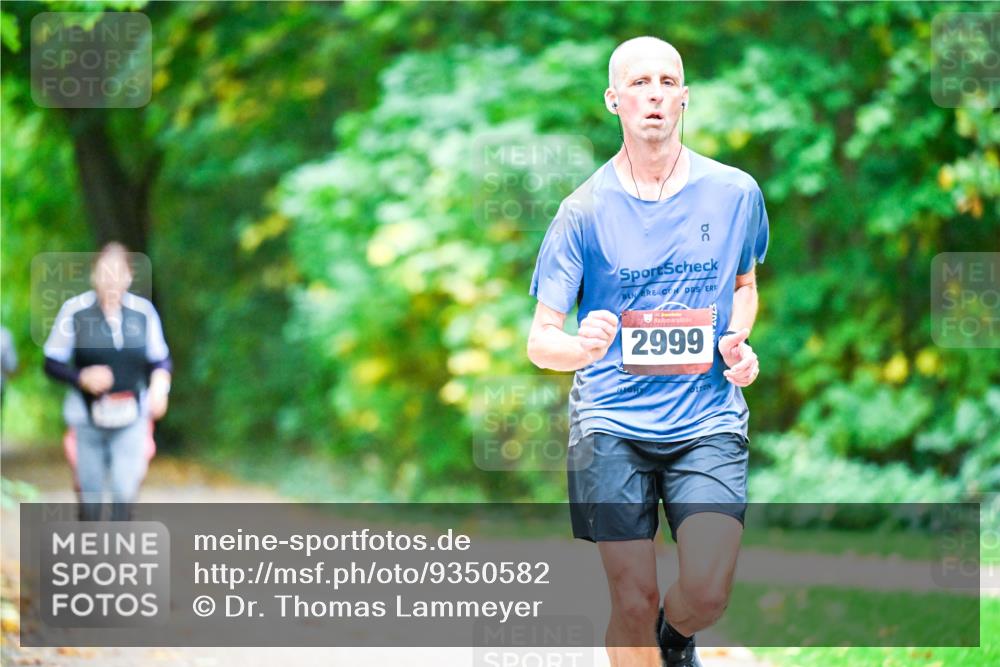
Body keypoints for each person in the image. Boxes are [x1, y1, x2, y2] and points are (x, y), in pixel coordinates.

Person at [526, 37, 769, 667]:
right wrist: (580, 347)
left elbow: (744, 287)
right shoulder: (581, 211)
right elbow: (540, 341)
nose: (655, 93)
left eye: (667, 81)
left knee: (708, 591)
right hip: (610, 423)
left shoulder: (735, 193)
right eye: (638, 82)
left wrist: (740, 341)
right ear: (614, 100)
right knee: (632, 599)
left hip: (707, 419)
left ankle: (675, 642)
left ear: (685, 97)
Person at [43, 242, 172, 521]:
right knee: (90, 498)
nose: (111, 279)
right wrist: (81, 378)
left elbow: (160, 360)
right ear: (94, 275)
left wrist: (160, 388)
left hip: (130, 417)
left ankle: (116, 556)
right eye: (105, 272)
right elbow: (51, 363)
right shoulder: (74, 311)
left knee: (124, 493)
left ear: (128, 276)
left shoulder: (143, 312)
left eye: (118, 272)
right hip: (87, 418)